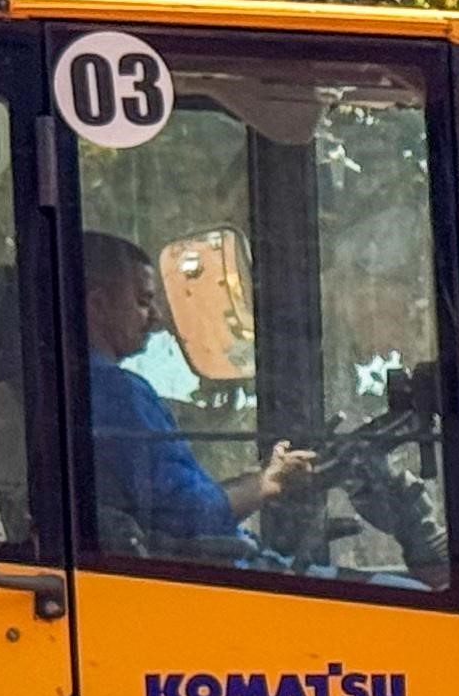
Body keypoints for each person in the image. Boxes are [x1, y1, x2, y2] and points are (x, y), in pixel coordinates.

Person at [81, 231, 310, 556]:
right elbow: (192, 516)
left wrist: (253, 480)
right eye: (144, 302)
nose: (158, 318)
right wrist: (269, 482)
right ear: (98, 305)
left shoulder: (76, 392)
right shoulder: (115, 394)